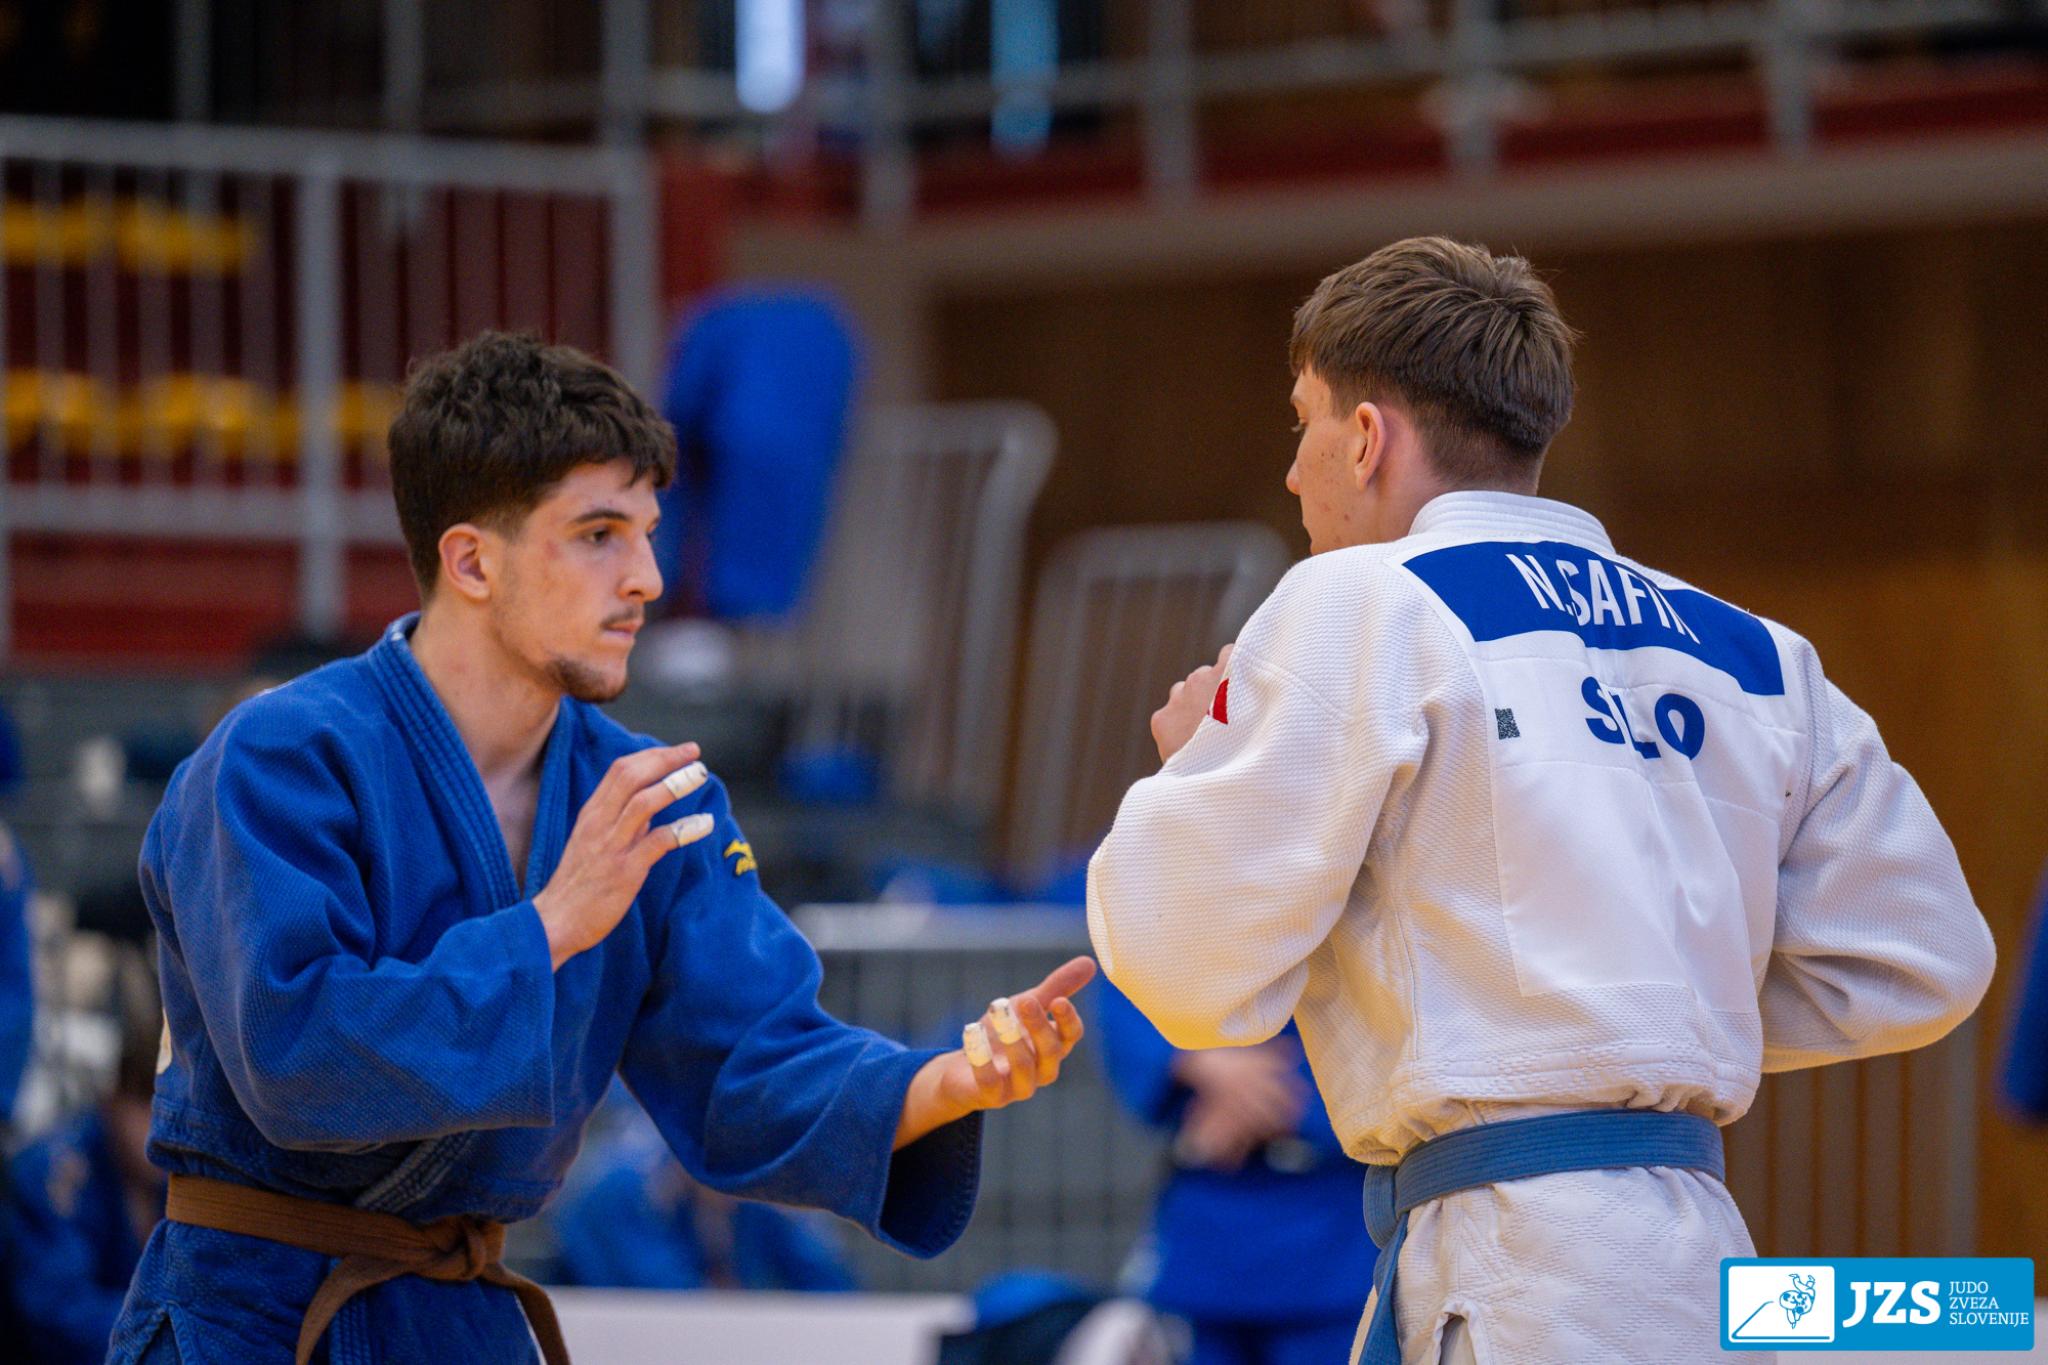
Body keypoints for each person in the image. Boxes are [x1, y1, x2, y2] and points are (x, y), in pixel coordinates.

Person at [1086, 238, 1995, 1365]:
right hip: (1698, 1259)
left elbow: (1183, 974)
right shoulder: (1754, 651)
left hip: (1513, 1266)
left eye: (1302, 423)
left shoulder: (1360, 601)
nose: (1291, 474)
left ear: (1364, 437)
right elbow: (1925, 957)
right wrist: (1645, 1005)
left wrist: (1190, 768)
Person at [106, 332, 1093, 1365]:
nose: (648, 579)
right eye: (598, 535)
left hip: (460, 1325)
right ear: (471, 560)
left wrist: (948, 1082)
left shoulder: (646, 797)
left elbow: (748, 1064)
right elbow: (298, 1058)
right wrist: (546, 928)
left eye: (650, 533)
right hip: (252, 1318)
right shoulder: (279, 757)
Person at [1097, 981, 1375, 1365]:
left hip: (1335, 1222)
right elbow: (1125, 981)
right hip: (1211, 1218)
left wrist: (1263, 1092)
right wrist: (1195, 1062)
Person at [7, 954, 165, 1363]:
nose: (160, 1127)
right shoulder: (54, 1172)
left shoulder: (172, 1183)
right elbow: (58, 1312)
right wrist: (164, 1340)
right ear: (113, 1098)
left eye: (170, 1109)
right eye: (146, 1104)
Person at [543, 1087, 857, 1292]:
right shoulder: (618, 1190)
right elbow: (661, 1301)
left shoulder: (757, 1193)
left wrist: (794, 1214)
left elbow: (833, 1290)